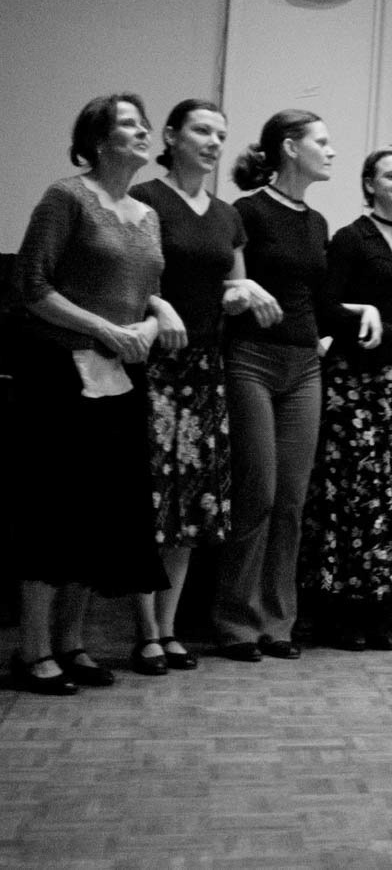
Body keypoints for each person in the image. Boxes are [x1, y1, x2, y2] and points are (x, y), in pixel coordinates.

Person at [8, 93, 180, 695]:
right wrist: (104, 328)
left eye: (143, 124)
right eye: (129, 124)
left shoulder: (147, 214)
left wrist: (153, 324)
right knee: (53, 510)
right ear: (100, 140)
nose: (143, 132)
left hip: (120, 377)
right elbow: (29, 285)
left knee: (97, 512)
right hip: (59, 372)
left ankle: (72, 641)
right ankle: (32, 651)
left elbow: (150, 290)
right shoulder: (67, 197)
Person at [214, 110, 381, 663]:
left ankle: (277, 620)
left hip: (304, 365)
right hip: (252, 362)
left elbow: (320, 303)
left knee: (291, 500)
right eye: (323, 142)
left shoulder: (316, 223)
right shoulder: (247, 212)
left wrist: (366, 313)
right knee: (257, 494)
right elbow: (231, 290)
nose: (332, 151)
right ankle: (236, 620)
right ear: (290, 148)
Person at [128, 100, 273, 674]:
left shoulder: (226, 215)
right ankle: (144, 631)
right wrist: (160, 305)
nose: (213, 142)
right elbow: (129, 279)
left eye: (221, 134)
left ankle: (169, 628)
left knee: (193, 505)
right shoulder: (145, 200)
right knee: (153, 501)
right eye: (202, 131)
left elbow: (234, 289)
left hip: (207, 369)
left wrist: (247, 294)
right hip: (156, 368)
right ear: (172, 136)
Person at [302, 146, 392, 650]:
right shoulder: (351, 239)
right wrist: (391, 333)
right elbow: (327, 309)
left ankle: (382, 609)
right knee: (353, 499)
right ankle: (340, 614)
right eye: (391, 175)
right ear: (370, 184)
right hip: (355, 386)